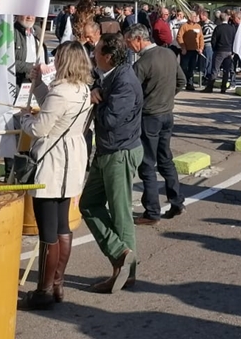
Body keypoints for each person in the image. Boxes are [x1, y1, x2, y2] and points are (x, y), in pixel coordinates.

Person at [18, 41, 93, 310]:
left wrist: (23, 118)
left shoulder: (61, 91)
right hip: (72, 156)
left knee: (48, 228)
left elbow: (40, 128)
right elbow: (53, 108)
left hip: (54, 159)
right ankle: (57, 283)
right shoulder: (82, 89)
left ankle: (44, 290)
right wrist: (39, 85)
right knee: (62, 225)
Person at [83, 33, 144, 294]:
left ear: (108, 56)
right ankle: (121, 253)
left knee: (120, 213)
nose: (93, 54)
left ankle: (125, 273)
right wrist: (96, 90)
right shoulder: (110, 76)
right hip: (107, 150)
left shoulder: (124, 81)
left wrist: (96, 99)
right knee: (88, 204)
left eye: (97, 50)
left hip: (119, 152)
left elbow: (110, 120)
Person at [126, 24, 187, 224]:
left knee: (147, 165)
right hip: (167, 114)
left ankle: (152, 211)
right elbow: (181, 80)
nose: (129, 48)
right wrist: (168, 97)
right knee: (166, 159)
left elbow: (132, 93)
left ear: (138, 40)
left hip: (150, 117)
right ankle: (176, 201)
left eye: (129, 43)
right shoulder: (169, 54)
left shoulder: (142, 64)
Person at [178, 12, 204, 91]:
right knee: (184, 67)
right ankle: (182, 82)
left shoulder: (198, 26)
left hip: (195, 51)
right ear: (190, 17)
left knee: (192, 68)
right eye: (194, 16)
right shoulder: (184, 26)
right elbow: (179, 37)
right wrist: (183, 47)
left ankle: (190, 84)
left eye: (197, 16)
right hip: (186, 51)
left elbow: (201, 38)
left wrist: (201, 48)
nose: (196, 17)